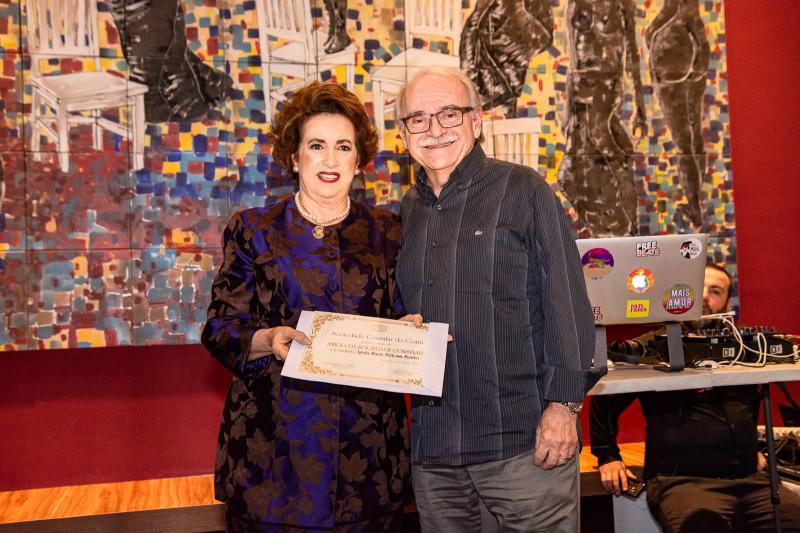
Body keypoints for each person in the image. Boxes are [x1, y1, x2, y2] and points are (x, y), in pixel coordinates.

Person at [394, 66, 602, 532]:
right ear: (403, 134)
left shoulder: (523, 189)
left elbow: (567, 302)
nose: (434, 129)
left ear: (476, 120)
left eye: (449, 113)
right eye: (418, 119)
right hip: (435, 449)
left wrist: (564, 407)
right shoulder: (409, 210)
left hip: (522, 444)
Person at [201, 81, 416, 532]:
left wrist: (411, 329)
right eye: (317, 146)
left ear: (359, 160)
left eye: (344, 147)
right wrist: (266, 339)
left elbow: (401, 314)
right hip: (272, 455)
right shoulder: (254, 230)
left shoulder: (389, 232)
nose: (330, 160)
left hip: (368, 456)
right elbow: (220, 327)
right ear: (295, 156)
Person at [590, 264, 800, 532]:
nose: (704, 297)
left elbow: (752, 403)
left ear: (727, 302)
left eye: (715, 291)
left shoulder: (745, 347)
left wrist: (753, 450)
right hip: (681, 483)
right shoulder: (654, 346)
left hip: (752, 482)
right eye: (696, 288)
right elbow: (604, 398)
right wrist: (607, 456)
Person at [557, 0, 647, 237]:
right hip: (581, 90)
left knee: (614, 156)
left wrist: (640, 106)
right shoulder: (576, 3)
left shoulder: (621, 4)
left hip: (605, 89)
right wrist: (568, 109)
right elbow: (574, 58)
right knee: (575, 169)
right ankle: (616, 230)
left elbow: (631, 53)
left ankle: (629, 230)